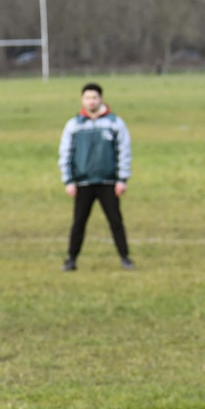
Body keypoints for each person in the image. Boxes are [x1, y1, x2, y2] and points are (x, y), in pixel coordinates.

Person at [60, 82, 134, 271]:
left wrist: (121, 179)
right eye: (87, 98)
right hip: (83, 182)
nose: (91, 101)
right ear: (82, 100)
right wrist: (68, 180)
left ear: (100, 99)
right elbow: (65, 153)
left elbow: (123, 151)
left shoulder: (114, 123)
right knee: (78, 223)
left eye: (94, 97)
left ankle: (125, 257)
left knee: (115, 221)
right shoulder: (74, 125)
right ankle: (71, 259)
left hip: (108, 182)